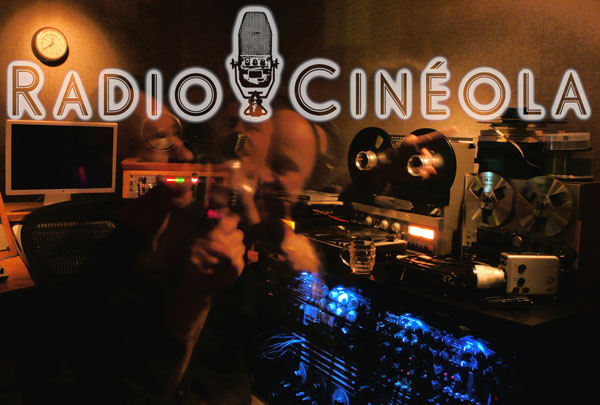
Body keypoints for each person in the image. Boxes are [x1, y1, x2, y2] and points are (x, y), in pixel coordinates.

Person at [75, 99, 329, 404]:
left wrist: (305, 273)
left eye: (253, 127)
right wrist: (196, 296)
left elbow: (270, 343)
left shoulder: (238, 232)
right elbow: (137, 389)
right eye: (158, 138)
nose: (183, 154)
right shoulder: (120, 258)